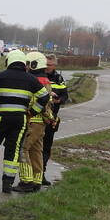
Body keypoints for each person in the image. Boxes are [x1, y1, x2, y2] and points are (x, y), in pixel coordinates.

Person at [0, 50, 49, 193]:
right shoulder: (31, 79)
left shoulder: (1, 76)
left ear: (9, 61)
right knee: (13, 150)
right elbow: (44, 97)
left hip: (1, 117)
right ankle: (7, 184)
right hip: (21, 120)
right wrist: (32, 112)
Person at [14, 52, 54, 193]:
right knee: (36, 151)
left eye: (27, 63)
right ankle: (37, 181)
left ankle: (26, 181)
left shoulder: (33, 80)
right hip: (41, 122)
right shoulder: (46, 80)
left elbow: (35, 101)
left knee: (22, 149)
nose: (25, 67)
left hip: (32, 120)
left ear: (33, 64)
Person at [41, 53, 69, 185]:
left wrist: (59, 100)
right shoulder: (39, 75)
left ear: (55, 65)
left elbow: (65, 95)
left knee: (47, 147)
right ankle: (33, 174)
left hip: (52, 118)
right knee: (35, 147)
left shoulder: (59, 78)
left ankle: (42, 174)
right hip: (39, 117)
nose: (47, 67)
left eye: (50, 65)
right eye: (46, 64)